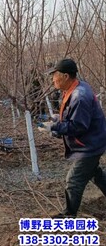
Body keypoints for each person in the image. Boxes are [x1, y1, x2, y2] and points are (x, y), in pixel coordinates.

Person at [38, 58, 106, 218]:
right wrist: (57, 119)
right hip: (93, 141)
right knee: (95, 174)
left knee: (74, 180)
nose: (52, 79)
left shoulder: (79, 96)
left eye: (55, 75)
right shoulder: (76, 88)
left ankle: (68, 216)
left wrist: (53, 127)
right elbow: (74, 116)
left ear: (66, 76)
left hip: (90, 146)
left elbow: (78, 126)